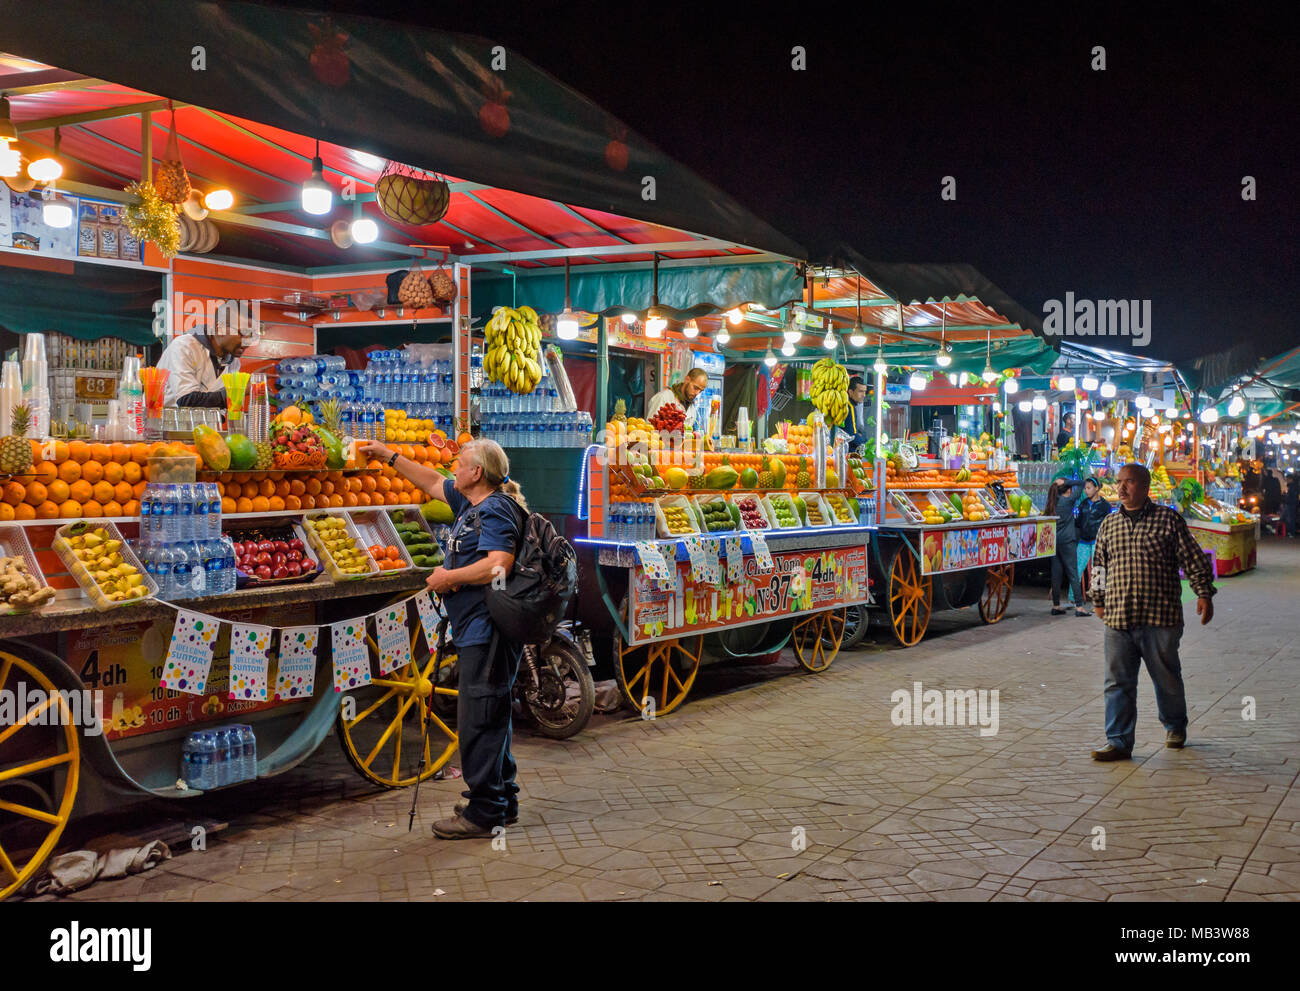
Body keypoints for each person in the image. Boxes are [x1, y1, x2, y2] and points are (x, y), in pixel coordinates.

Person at [357, 435, 528, 837]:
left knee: (479, 720)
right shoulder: (470, 503)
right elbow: (432, 481)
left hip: (489, 630)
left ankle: (484, 813)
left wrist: (448, 577)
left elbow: (499, 564)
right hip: (476, 627)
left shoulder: (496, 510)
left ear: (477, 473)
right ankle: (502, 801)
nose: (453, 465)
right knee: (490, 715)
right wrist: (389, 456)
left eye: (461, 461)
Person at [1089, 463, 1216, 761]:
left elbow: (1194, 559)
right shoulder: (1109, 524)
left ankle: (1175, 727)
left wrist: (1204, 593)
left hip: (1160, 618)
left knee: (1166, 677)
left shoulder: (1168, 520)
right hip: (1119, 618)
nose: (1121, 488)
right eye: (1119, 482)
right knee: (1117, 682)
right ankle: (1118, 741)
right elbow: (1099, 566)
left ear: (1145, 487)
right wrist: (1097, 598)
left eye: (1129, 482)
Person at [156, 324, 247, 408]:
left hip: (200, 424)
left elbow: (218, 410)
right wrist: (237, 392)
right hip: (164, 423)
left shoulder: (233, 363)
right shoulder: (184, 346)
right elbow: (186, 401)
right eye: (242, 334)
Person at [1045, 478, 1085, 615]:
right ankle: (1079, 607)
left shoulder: (1052, 502)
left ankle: (1056, 606)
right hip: (1067, 542)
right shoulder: (1067, 501)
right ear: (1068, 490)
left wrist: (1057, 483)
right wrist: (1067, 481)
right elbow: (1082, 483)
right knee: (1073, 573)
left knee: (1056, 574)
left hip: (1054, 542)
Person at [1076, 475, 1112, 581]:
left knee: (1098, 569)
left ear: (1096, 488)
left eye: (1089, 488)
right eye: (1085, 488)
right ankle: (1073, 596)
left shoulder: (1105, 506)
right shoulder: (1083, 504)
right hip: (1083, 541)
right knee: (1077, 569)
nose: (1086, 491)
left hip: (1097, 542)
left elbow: (1107, 524)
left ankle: (1098, 595)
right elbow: (1078, 521)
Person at [837, 376, 870, 453]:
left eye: (864, 391)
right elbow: (852, 435)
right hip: (846, 451)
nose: (864, 395)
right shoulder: (849, 407)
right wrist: (866, 442)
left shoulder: (847, 404)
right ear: (851, 392)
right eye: (860, 391)